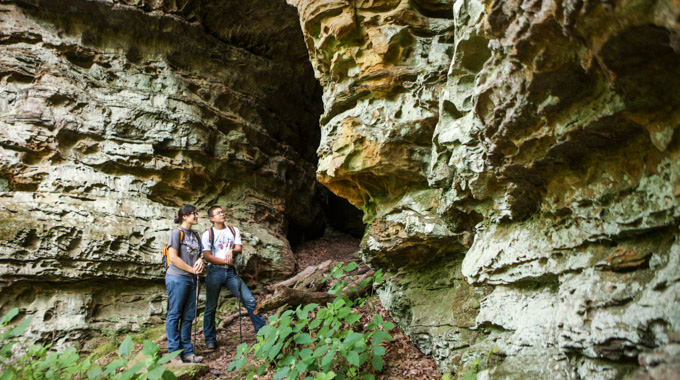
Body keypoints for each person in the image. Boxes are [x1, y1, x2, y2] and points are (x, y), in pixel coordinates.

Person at [202, 205, 266, 349]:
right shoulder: (208, 234)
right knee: (211, 306)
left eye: (222, 212)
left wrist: (231, 250)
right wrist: (224, 260)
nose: (222, 214)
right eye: (218, 213)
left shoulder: (233, 230)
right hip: (214, 272)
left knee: (249, 300)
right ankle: (210, 339)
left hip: (231, 272)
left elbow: (239, 248)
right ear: (212, 218)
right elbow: (207, 256)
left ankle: (262, 331)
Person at [165, 204, 204, 363]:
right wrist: (191, 269)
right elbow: (173, 257)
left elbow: (200, 253)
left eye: (196, 213)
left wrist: (201, 260)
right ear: (184, 216)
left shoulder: (195, 234)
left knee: (188, 316)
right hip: (177, 277)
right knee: (175, 314)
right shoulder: (176, 233)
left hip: (191, 279)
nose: (196, 216)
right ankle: (174, 353)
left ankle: (187, 352)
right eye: (193, 213)